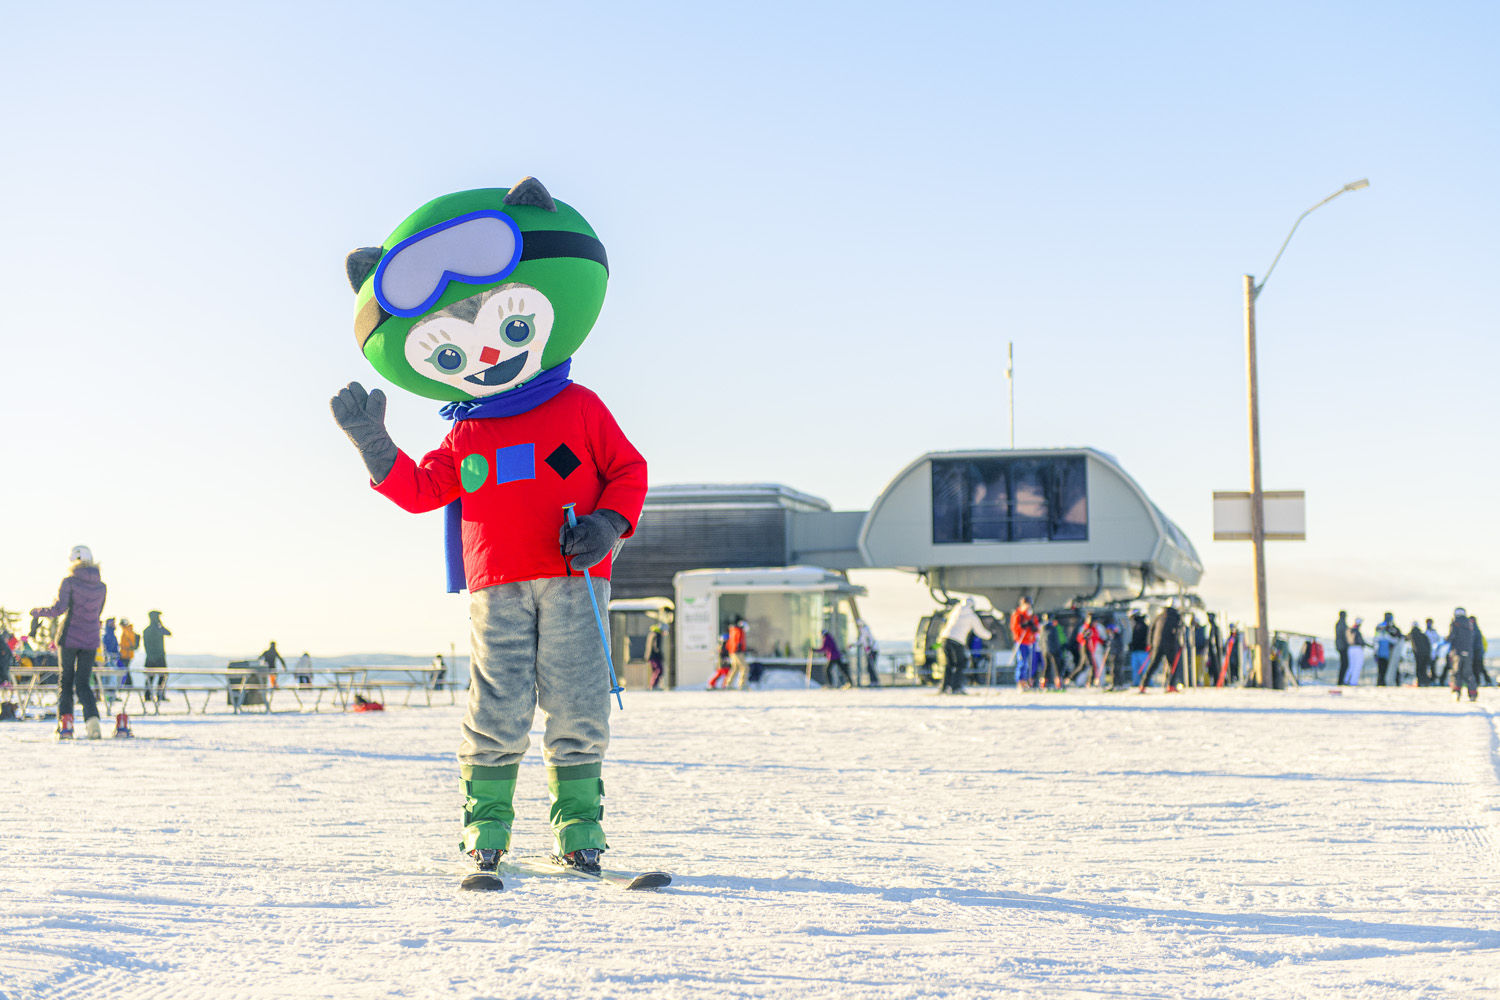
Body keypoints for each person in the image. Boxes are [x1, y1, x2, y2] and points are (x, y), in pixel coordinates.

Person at [330, 178, 648, 883]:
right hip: (496, 586)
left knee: (577, 700)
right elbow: (422, 490)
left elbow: (629, 471)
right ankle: (487, 829)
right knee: (495, 707)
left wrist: (606, 524)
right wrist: (375, 445)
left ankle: (580, 830)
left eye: (506, 329)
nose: (489, 356)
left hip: (573, 578)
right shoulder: (468, 429)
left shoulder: (580, 407)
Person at [29, 546, 107, 739]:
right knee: (83, 684)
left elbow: (59, 609)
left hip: (69, 637)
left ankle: (66, 724)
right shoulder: (101, 586)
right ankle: (93, 725)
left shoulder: (69, 582)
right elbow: (98, 614)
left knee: (66, 681)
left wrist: (37, 612)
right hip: (90, 640)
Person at [938, 597, 990, 694]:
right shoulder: (970, 615)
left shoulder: (955, 611)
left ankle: (945, 687)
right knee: (961, 663)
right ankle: (956, 687)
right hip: (956, 641)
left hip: (944, 639)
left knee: (949, 664)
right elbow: (980, 631)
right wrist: (990, 636)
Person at [1138, 605, 1183, 693]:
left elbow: (1151, 628)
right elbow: (1179, 631)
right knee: (1174, 666)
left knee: (1153, 665)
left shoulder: (1159, 616)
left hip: (1157, 644)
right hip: (1170, 645)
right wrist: (1180, 643)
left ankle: (1143, 685)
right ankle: (1171, 685)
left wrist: (1150, 643)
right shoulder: (1176, 616)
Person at [1447, 608, 1478, 702]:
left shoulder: (1455, 623)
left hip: (1457, 652)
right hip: (1468, 652)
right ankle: (1473, 693)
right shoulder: (1470, 624)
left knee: (1457, 673)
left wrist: (1447, 639)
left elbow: (1452, 636)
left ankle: (1456, 691)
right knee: (1468, 673)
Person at [1010, 596, 1040, 690]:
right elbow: (1014, 628)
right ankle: (1020, 681)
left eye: (1029, 604)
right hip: (1021, 641)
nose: (1027, 606)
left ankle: (1028, 681)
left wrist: (1034, 628)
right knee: (1022, 662)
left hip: (1030, 641)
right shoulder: (1018, 615)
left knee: (1031, 663)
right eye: (1025, 604)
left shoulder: (1031, 615)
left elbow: (1037, 628)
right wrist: (1023, 626)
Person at [142, 610, 171, 702]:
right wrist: (161, 625)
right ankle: (159, 694)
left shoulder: (146, 630)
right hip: (158, 657)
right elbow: (168, 633)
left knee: (150, 677)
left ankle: (148, 695)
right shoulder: (158, 629)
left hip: (150, 657)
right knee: (162, 676)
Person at [1069, 613, 1104, 686]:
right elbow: (1079, 638)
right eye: (1094, 622)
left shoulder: (1095, 629)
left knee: (1083, 666)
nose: (1096, 623)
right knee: (1091, 665)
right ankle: (1089, 682)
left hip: (1091, 649)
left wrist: (1104, 642)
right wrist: (1084, 636)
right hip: (1085, 649)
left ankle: (1070, 679)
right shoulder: (1086, 628)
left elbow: (1097, 638)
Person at [1373, 613, 1401, 686]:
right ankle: (1382, 683)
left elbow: (1397, 639)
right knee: (1382, 670)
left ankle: (1393, 683)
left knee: (1392, 669)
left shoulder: (1393, 628)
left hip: (1390, 653)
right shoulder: (1382, 628)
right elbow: (1377, 640)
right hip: (1383, 653)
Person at [725, 619, 749, 690]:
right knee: (744, 667)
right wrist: (740, 648)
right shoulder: (739, 631)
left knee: (735, 668)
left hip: (732, 652)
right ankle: (742, 684)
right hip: (737, 652)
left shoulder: (733, 630)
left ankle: (728, 684)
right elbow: (739, 641)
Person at [856, 619, 880, 688]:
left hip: (872, 651)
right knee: (870, 667)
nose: (858, 627)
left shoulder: (865, 631)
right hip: (870, 651)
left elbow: (871, 640)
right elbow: (861, 641)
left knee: (870, 667)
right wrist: (853, 645)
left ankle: (874, 681)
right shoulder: (863, 632)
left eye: (859, 626)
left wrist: (870, 648)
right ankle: (874, 681)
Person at [1408, 622, 1433, 686]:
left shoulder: (1412, 634)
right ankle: (1426, 682)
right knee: (1424, 669)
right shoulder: (1423, 635)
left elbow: (1405, 638)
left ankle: (1420, 682)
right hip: (1426, 654)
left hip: (1418, 655)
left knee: (1419, 669)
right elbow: (1428, 645)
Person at [1128, 611, 1149, 687]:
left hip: (1142, 651)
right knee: (1136, 669)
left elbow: (1139, 639)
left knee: (1144, 668)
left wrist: (1133, 645)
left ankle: (1146, 683)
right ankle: (1137, 682)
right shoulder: (1137, 626)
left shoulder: (1142, 626)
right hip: (1137, 650)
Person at [1344, 617, 1368, 685]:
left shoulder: (1349, 630)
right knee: (1357, 665)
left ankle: (1346, 680)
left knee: (1351, 666)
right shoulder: (1356, 631)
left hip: (1350, 649)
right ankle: (1353, 682)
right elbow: (1360, 641)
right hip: (1357, 649)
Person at [1471, 617, 1492, 687]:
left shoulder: (1473, 631)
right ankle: (1487, 681)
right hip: (1479, 654)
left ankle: (1478, 682)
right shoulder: (1478, 631)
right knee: (1480, 668)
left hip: (1476, 654)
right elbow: (1484, 644)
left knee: (1476, 668)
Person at [118, 617, 138, 688]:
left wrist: (121, 646)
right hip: (126, 654)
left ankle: (129, 684)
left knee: (125, 669)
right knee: (125, 669)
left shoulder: (127, 631)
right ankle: (128, 684)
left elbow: (127, 643)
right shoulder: (129, 631)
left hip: (126, 654)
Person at [101, 618, 120, 691]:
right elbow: (106, 648)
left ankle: (112, 692)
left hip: (113, 659)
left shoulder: (112, 635)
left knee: (115, 675)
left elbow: (115, 647)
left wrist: (117, 654)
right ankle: (109, 692)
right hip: (108, 659)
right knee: (110, 675)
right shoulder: (107, 636)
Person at [645, 624, 665, 690]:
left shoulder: (652, 634)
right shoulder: (657, 635)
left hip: (650, 657)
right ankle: (654, 685)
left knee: (655, 671)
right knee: (659, 670)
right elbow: (656, 647)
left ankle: (652, 685)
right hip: (655, 657)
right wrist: (659, 654)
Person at [1334, 611, 1350, 685]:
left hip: (1341, 646)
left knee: (1344, 664)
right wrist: (1348, 643)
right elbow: (1343, 636)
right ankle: (1341, 681)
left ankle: (1341, 680)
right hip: (1343, 647)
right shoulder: (1342, 624)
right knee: (1345, 664)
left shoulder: (1339, 623)